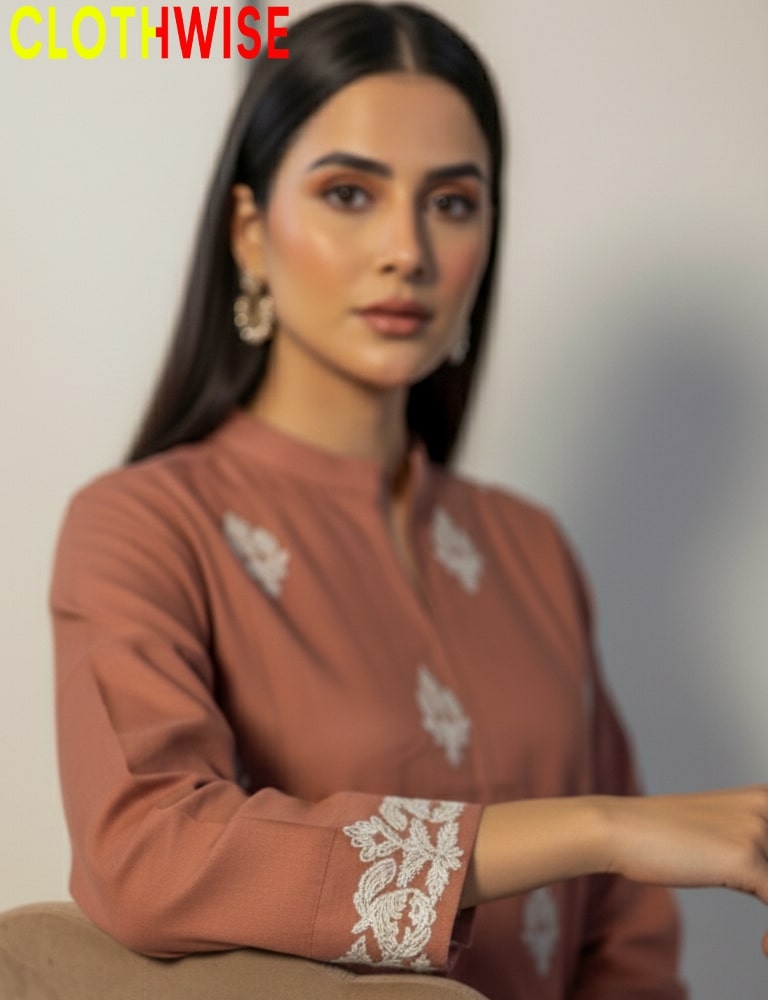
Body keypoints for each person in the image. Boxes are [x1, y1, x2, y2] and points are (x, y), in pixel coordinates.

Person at [50, 4, 768, 998]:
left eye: (453, 202)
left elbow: (624, 943)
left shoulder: (528, 548)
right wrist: (600, 826)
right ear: (251, 233)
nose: (407, 249)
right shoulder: (143, 526)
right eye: (350, 193)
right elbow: (149, 853)